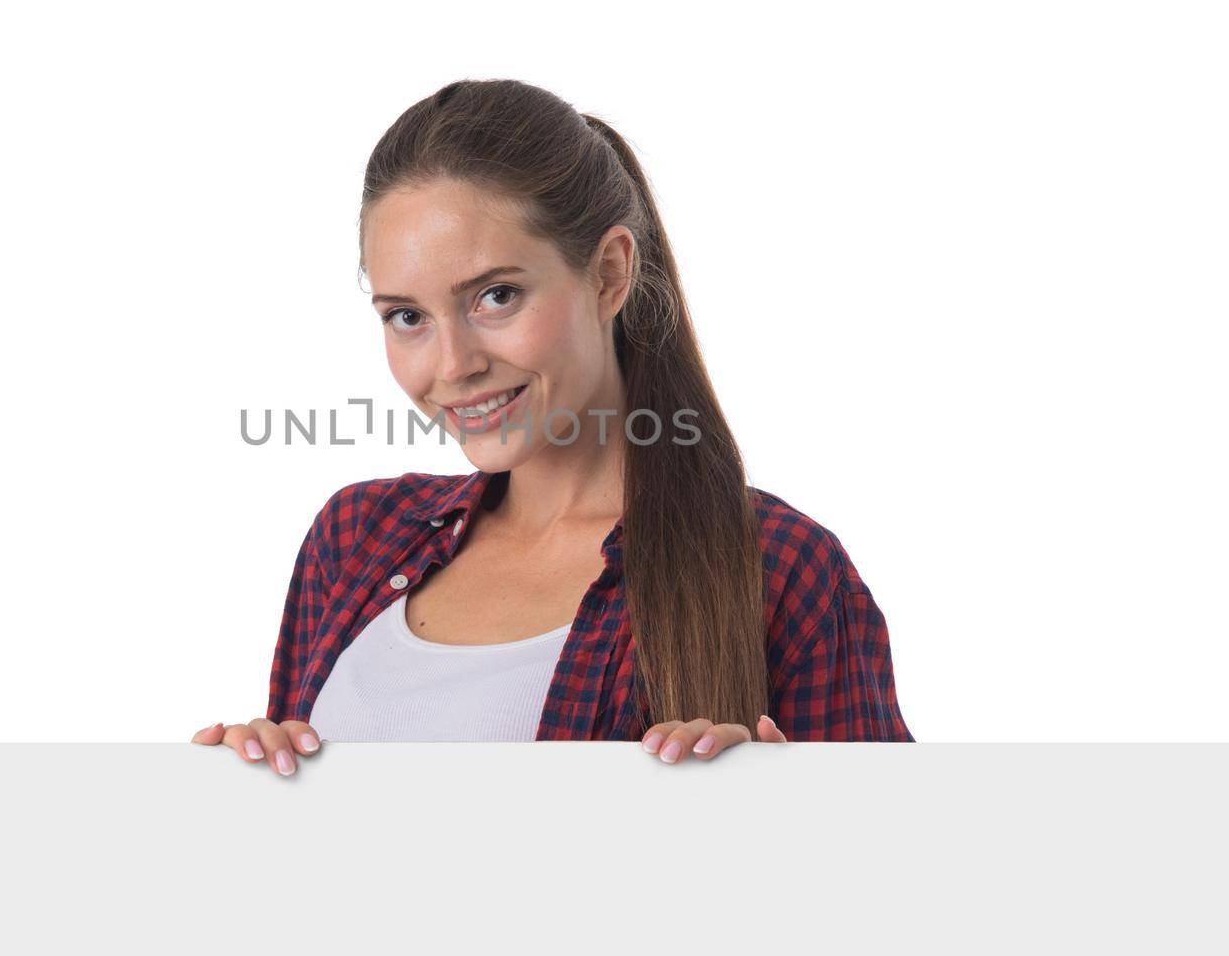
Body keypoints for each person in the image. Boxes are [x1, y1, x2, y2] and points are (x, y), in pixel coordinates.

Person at [193, 78, 912, 777]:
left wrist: (788, 808)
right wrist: (251, 777)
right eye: (406, 316)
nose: (453, 364)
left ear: (608, 274)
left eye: (496, 296)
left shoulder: (782, 570)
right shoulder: (353, 539)